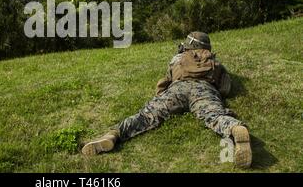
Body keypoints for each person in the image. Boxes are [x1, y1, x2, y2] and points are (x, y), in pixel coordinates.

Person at [82, 32, 252, 168]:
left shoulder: (177, 59)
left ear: (188, 45)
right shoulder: (215, 61)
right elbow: (225, 89)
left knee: (145, 116)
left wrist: (160, 96)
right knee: (214, 115)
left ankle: (113, 135)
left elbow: (165, 82)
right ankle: (234, 128)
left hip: (177, 89)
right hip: (204, 90)